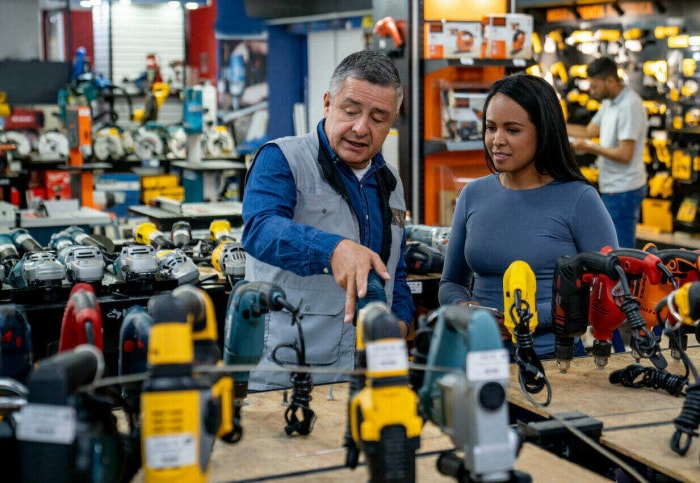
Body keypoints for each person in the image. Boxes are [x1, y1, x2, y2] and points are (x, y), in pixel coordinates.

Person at [241, 50, 415, 390]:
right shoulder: (282, 159)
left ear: (392, 121)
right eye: (350, 111)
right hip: (290, 375)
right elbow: (261, 229)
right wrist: (332, 250)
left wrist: (401, 325)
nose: (361, 128)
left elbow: (396, 269)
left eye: (378, 118)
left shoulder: (390, 182)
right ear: (327, 103)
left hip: (368, 375)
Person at [438, 73, 618, 359]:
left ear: (543, 131)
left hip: (553, 364)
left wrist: (526, 318)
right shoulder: (473, 195)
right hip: (477, 357)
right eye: (490, 127)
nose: (497, 140)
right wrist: (463, 308)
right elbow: (451, 282)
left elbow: (608, 293)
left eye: (512, 130)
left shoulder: (580, 200)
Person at [567, 57, 648, 249]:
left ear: (610, 81)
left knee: (621, 250)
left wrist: (590, 147)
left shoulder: (629, 106)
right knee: (611, 246)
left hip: (624, 189)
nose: (592, 91)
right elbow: (589, 131)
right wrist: (555, 124)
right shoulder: (609, 102)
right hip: (613, 185)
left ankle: (626, 280)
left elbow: (625, 154)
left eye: (595, 86)